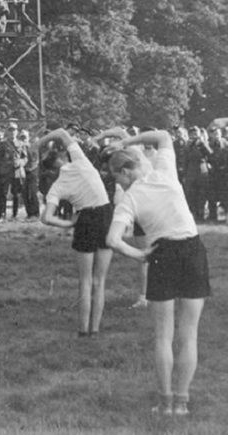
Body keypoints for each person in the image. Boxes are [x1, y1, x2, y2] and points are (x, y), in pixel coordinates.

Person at [107, 130, 211, 419]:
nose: (117, 182)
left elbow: (113, 240)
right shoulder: (165, 173)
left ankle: (165, 403)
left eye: (117, 176)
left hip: (161, 255)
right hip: (192, 251)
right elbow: (164, 135)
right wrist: (127, 142)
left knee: (163, 336)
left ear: (126, 171)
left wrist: (139, 255)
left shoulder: (129, 199)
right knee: (189, 334)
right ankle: (181, 402)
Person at [38, 128, 113, 337]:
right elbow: (62, 132)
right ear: (63, 157)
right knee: (100, 281)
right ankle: (95, 330)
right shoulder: (82, 162)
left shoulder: (57, 186)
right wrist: (41, 142)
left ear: (50, 170)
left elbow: (46, 217)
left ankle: (83, 330)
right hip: (106, 215)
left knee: (85, 281)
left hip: (85, 220)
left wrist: (68, 224)